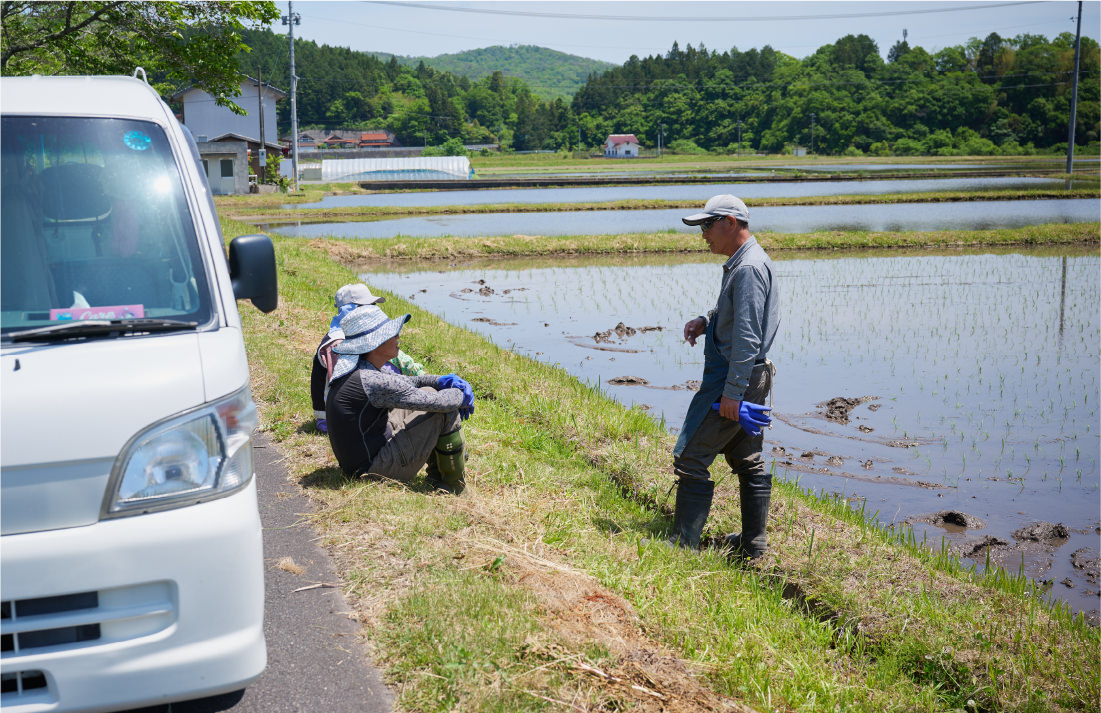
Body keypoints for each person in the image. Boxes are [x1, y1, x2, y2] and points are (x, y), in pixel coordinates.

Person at [670, 194, 780, 558]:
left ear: (730, 222)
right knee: (747, 459)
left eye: (707, 225)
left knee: (690, 456)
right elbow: (738, 315)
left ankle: (683, 546)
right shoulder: (745, 262)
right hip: (751, 375)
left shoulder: (748, 267)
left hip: (736, 378)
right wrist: (708, 320)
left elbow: (747, 336)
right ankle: (754, 546)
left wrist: (732, 393)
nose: (703, 234)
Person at [325, 304, 474, 492]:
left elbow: (410, 382)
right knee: (442, 410)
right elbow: (440, 403)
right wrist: (463, 394)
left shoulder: (361, 370)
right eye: (392, 334)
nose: (398, 337)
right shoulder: (371, 380)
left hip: (362, 460)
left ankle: (440, 469)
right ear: (376, 343)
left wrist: (443, 381)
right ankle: (453, 487)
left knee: (429, 389)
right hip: (372, 469)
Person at [311, 284, 425, 433]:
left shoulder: (342, 335)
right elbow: (343, 385)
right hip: (335, 420)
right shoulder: (338, 342)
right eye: (370, 305)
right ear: (353, 309)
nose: (373, 309)